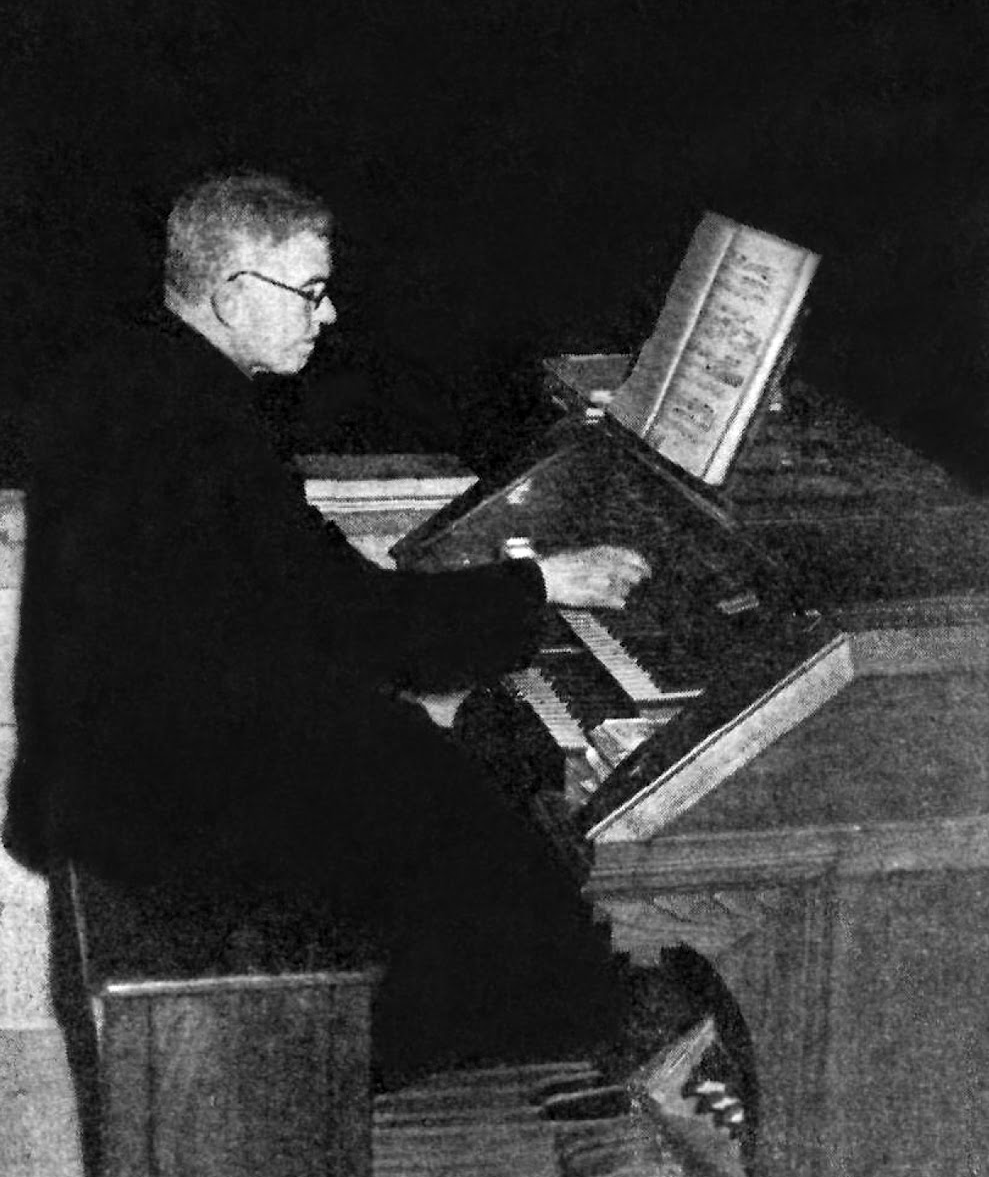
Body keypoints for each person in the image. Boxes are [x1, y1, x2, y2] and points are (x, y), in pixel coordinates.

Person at [4, 170, 661, 1091]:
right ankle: (380, 1094)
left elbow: (294, 585)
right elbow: (341, 617)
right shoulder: (199, 422)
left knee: (461, 772)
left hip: (125, 757)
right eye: (309, 292)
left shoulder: (150, 376)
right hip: (158, 797)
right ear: (233, 293)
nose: (329, 315)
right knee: (480, 844)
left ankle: (450, 1055)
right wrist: (543, 581)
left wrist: (483, 601)